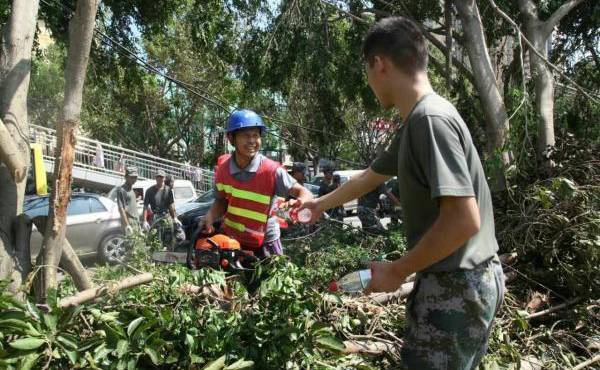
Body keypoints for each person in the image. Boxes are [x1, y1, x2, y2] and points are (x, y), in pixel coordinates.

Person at [302, 17, 504, 369]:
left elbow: (462, 219)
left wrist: (397, 270)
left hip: (456, 288)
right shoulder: (417, 121)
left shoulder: (430, 120)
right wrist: (318, 204)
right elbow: (369, 177)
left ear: (379, 64)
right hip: (459, 282)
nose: (368, 81)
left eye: (367, 69)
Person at [200, 109, 313, 259]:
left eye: (256, 135)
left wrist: (302, 200)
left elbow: (304, 192)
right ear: (231, 138)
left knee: (274, 280)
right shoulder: (223, 170)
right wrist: (210, 216)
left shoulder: (272, 170)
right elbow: (221, 200)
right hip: (232, 241)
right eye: (246, 136)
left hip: (266, 243)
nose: (252, 141)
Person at [113, 166, 139, 234]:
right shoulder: (122, 190)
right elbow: (121, 209)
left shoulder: (131, 189)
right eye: (132, 177)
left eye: (135, 177)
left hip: (135, 221)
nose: (134, 179)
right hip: (129, 221)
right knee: (131, 244)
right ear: (126, 177)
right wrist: (127, 225)